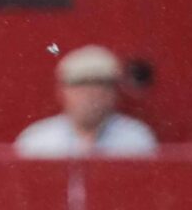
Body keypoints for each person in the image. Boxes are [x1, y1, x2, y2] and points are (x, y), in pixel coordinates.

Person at [15, 45, 158, 157]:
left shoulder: (136, 140)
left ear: (113, 93)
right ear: (63, 91)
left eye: (101, 84)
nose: (91, 94)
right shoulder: (37, 141)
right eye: (81, 84)